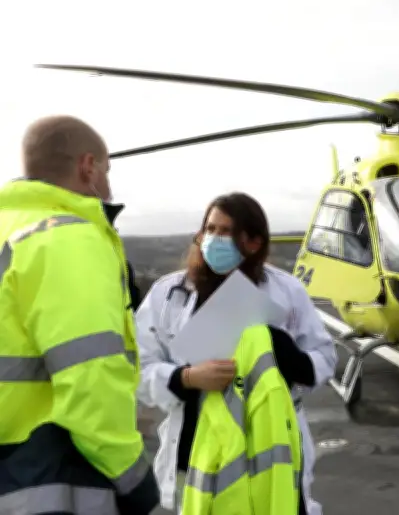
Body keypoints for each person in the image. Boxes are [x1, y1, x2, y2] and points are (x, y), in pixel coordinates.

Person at [135, 192, 336, 514]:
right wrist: (186, 378)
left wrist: (293, 359)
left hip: (268, 454)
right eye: (209, 229)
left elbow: (325, 358)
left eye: (226, 231)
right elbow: (137, 370)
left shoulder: (288, 293)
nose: (213, 239)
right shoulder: (167, 295)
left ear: (254, 242)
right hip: (197, 455)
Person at [0, 115, 159, 514]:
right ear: (88, 166)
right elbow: (91, 374)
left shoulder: (10, 230)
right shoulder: (68, 238)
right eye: (106, 169)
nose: (107, 182)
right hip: (48, 471)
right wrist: (132, 476)